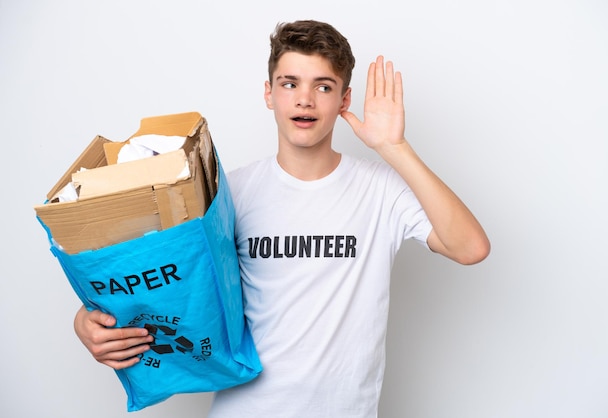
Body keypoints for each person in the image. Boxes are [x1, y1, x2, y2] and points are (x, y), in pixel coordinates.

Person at [74, 19, 490, 417]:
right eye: (289, 84)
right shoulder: (228, 194)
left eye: (323, 87)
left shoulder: (380, 189)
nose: (304, 99)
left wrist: (394, 147)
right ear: (269, 93)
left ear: (344, 99)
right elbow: (167, 282)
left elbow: (470, 247)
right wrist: (86, 322)